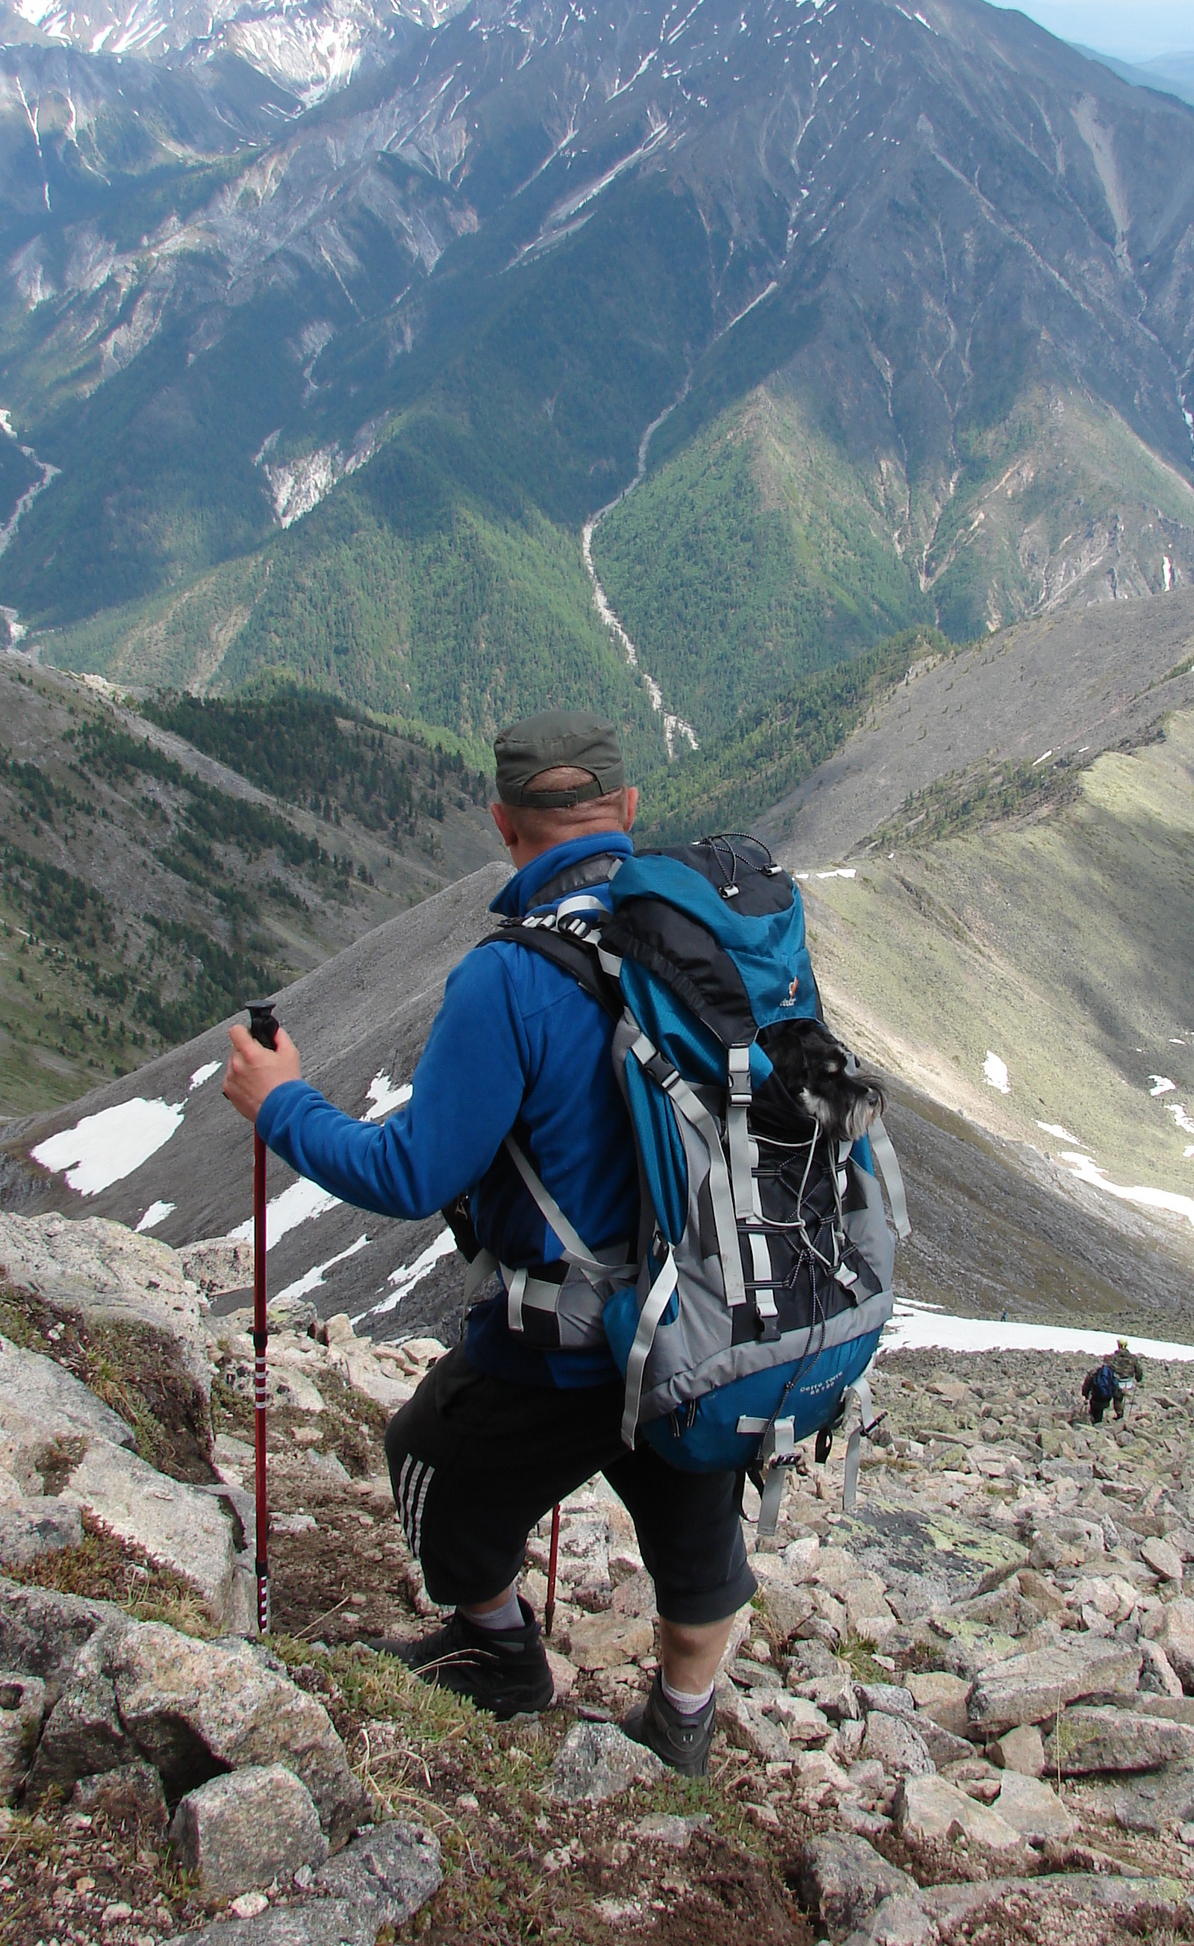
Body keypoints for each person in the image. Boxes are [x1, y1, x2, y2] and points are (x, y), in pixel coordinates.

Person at [222, 711, 756, 1776]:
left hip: (560, 1349)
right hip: (708, 1316)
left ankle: (500, 1650)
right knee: (696, 1535)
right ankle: (681, 1730)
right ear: (631, 811)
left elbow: (413, 1173)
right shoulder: (718, 939)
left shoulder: (506, 979)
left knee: (424, 1457)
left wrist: (279, 1104)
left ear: (502, 822)